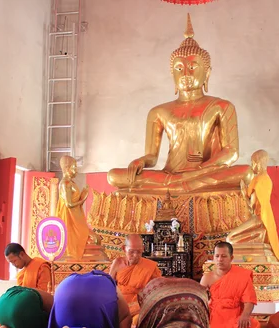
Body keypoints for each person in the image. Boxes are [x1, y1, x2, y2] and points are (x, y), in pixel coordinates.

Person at [107, 14, 251, 194]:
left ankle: (175, 187)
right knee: (114, 176)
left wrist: (202, 168)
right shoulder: (158, 112)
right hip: (171, 174)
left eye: (193, 67)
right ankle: (179, 185)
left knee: (246, 172)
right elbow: (152, 157)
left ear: (207, 74)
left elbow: (231, 153)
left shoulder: (221, 106)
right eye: (179, 69)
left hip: (203, 173)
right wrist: (142, 161)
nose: (186, 74)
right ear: (172, 74)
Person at [48, 271, 131, 328]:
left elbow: (53, 319)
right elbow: (125, 317)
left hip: (65, 287)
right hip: (99, 292)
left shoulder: (69, 279)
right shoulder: (109, 283)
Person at [0, 243, 51, 328]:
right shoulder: (23, 272)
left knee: (12, 317)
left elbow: (43, 293)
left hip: (29, 307)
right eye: (11, 263)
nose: (14, 265)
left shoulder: (42, 266)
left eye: (14, 261)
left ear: (22, 254)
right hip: (17, 304)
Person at [226, 149, 279, 263]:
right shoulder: (261, 179)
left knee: (230, 239)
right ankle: (259, 235)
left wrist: (243, 192)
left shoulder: (261, 180)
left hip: (258, 219)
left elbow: (253, 206)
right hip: (256, 218)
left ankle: (260, 234)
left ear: (258, 162)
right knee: (230, 240)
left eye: (253, 162)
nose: (252, 166)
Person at [200, 242, 260, 328]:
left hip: (234, 315)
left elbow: (249, 300)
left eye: (224, 256)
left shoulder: (242, 275)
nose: (220, 259)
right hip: (214, 316)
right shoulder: (207, 277)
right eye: (217, 256)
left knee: (252, 324)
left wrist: (245, 315)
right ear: (213, 258)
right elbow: (200, 300)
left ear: (231, 258)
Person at [56, 155, 105, 260]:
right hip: (71, 220)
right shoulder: (65, 183)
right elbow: (69, 204)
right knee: (91, 239)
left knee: (96, 239)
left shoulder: (71, 183)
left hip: (77, 217)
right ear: (67, 168)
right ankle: (75, 260)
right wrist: (83, 199)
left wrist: (83, 195)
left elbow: (75, 204)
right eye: (74, 167)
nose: (76, 170)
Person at [109, 234, 161, 323]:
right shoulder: (117, 263)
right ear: (124, 248)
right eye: (131, 252)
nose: (135, 255)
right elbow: (109, 287)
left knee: (137, 320)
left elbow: (157, 291)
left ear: (143, 249)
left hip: (140, 306)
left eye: (139, 252)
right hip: (119, 304)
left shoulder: (150, 267)